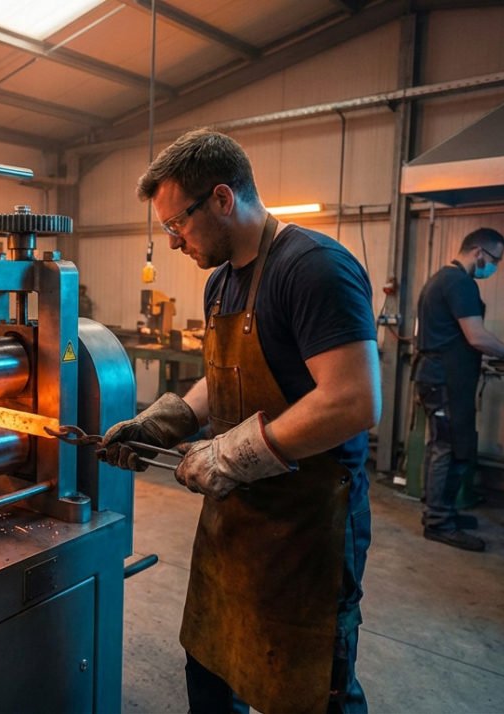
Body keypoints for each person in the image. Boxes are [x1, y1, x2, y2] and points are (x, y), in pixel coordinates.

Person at [100, 128, 380, 714]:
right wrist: (165, 420)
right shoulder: (220, 282)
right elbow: (221, 376)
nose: (174, 242)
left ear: (223, 199)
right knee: (211, 666)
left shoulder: (314, 269)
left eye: (178, 224)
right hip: (234, 523)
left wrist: (228, 455)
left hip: (308, 527)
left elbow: (352, 400)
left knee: (307, 688)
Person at [413, 229, 504, 552]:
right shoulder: (459, 283)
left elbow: (453, 336)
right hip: (445, 380)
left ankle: (439, 512)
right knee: (449, 447)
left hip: (440, 375)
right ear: (479, 252)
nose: (494, 267)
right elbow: (478, 337)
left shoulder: (441, 279)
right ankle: (439, 522)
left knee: (440, 445)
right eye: (495, 259)